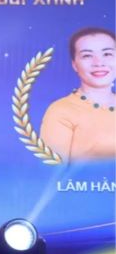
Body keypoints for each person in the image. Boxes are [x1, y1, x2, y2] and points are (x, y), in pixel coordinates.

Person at [40, 27, 115, 162]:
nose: (99, 63)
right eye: (87, 55)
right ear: (74, 65)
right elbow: (52, 171)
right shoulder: (60, 110)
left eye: (107, 54)